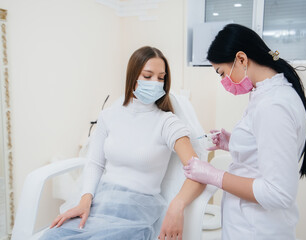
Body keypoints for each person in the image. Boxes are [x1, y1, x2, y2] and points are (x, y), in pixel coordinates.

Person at [40, 46, 205, 240]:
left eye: (161, 78)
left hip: (136, 212)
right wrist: (85, 199)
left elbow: (199, 173)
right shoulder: (109, 116)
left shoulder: (167, 123)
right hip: (99, 203)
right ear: (133, 76)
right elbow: (95, 163)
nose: (155, 83)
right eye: (148, 76)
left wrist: (177, 205)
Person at [184, 24, 306, 240]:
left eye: (222, 73)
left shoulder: (273, 105)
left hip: (258, 230)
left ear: (242, 59)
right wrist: (233, 142)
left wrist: (214, 175)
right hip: (249, 226)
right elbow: (267, 148)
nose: (223, 81)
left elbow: (279, 193)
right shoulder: (267, 95)